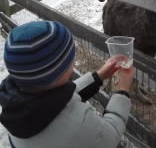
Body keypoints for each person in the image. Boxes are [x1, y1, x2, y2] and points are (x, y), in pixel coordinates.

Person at [0, 20, 134, 148]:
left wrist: (99, 76)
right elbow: (110, 136)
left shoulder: (14, 107)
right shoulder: (80, 125)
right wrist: (123, 91)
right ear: (58, 71)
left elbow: (59, 98)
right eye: (70, 57)